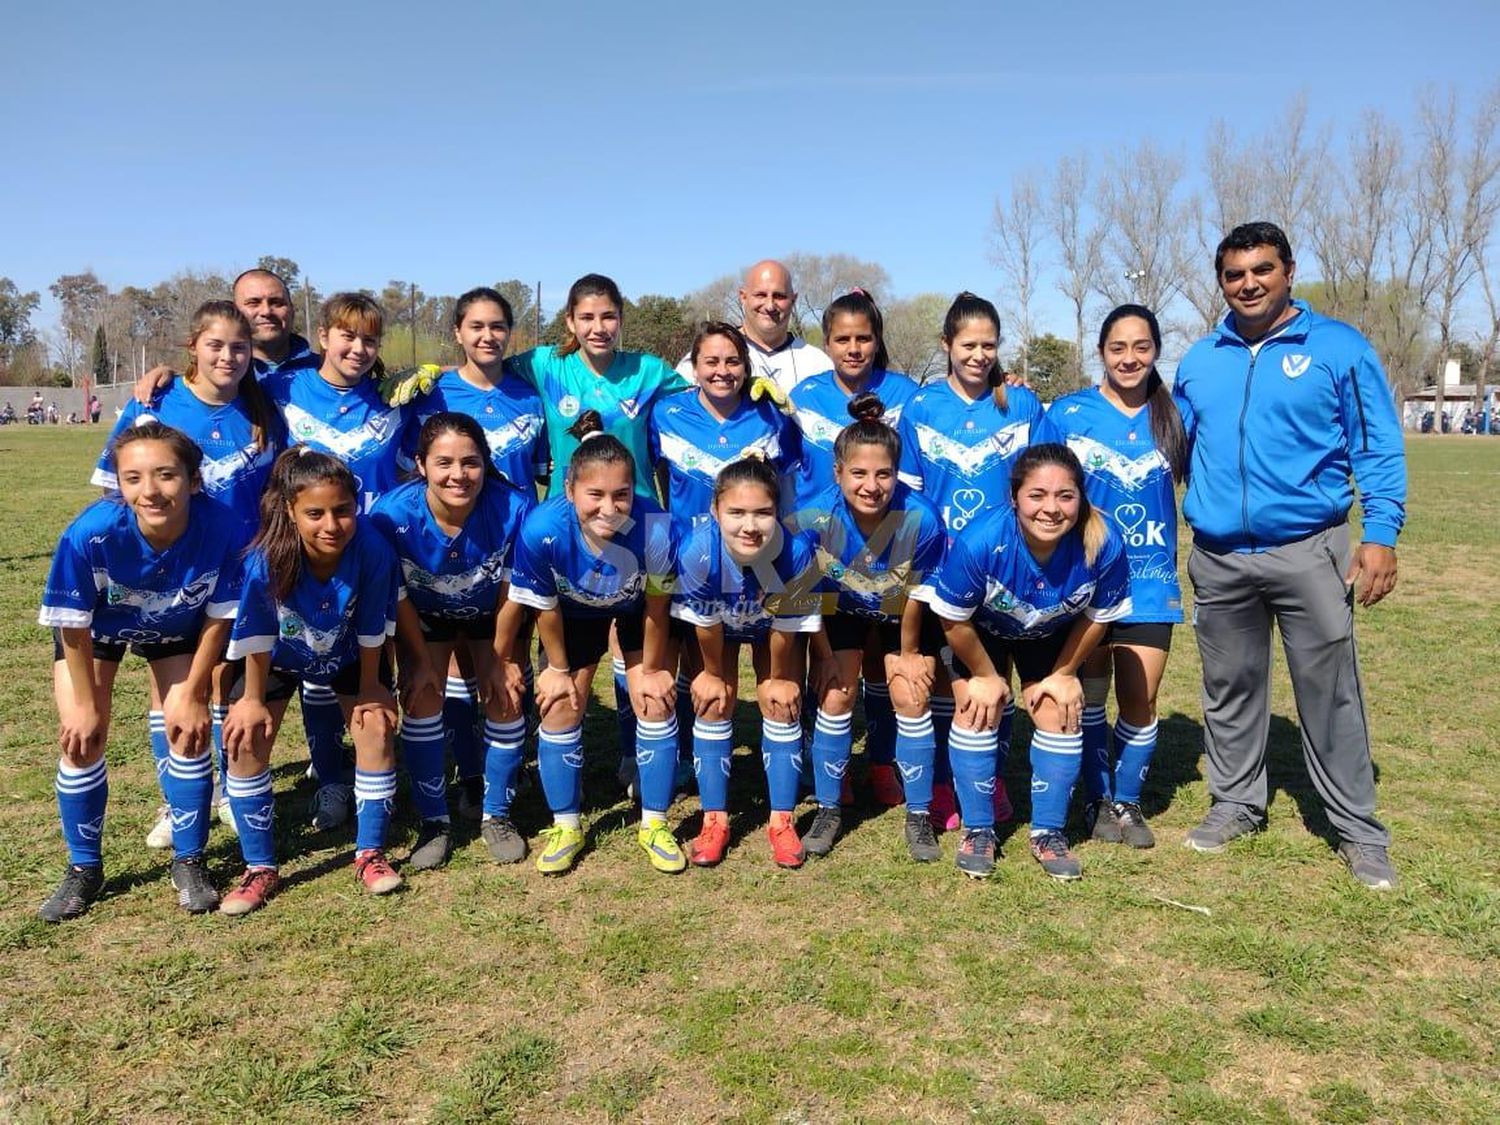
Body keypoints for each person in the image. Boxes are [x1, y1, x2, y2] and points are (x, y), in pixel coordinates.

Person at [1171, 221, 1405, 890]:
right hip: (1218, 556)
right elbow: (1171, 444)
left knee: (1330, 694)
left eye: (1261, 270)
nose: (1248, 283)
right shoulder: (1200, 358)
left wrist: (1381, 531)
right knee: (1229, 689)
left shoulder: (1338, 348)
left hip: (1310, 548)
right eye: (1235, 274)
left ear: (1289, 270)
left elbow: (1378, 446)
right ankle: (1237, 803)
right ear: (1221, 281)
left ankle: (1359, 831)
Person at [94, 300, 286, 849]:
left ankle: (226, 788)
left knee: (225, 679)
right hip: (177, 572)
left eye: (239, 347)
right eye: (216, 345)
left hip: (246, 565)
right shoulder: (158, 403)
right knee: (174, 686)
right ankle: (177, 798)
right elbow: (117, 493)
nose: (228, 356)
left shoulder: (263, 408)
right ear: (193, 348)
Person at [36, 422, 246, 921]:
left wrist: (195, 693)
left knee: (189, 732)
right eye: (132, 478)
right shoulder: (89, 534)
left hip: (176, 627)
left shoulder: (224, 528)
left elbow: (219, 618)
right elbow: (74, 629)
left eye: (166, 475)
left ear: (194, 480)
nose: (149, 491)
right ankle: (84, 868)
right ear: (118, 483)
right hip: (97, 633)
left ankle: (190, 860)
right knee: (83, 737)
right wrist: (86, 707)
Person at [920, 444, 1132, 880]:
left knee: (1060, 710)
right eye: (1037, 495)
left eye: (1065, 496)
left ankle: (1048, 833)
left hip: (1047, 634)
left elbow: (1097, 619)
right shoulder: (983, 539)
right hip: (976, 634)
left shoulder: (1104, 542)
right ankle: (978, 830)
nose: (1051, 509)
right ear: (1014, 497)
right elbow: (951, 619)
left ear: (1081, 498)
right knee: (978, 708)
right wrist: (984, 675)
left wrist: (1065, 673)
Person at [221, 448, 417, 913]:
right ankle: (259, 867)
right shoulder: (265, 558)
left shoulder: (372, 549)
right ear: (290, 512)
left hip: (349, 652)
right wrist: (250, 698)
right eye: (315, 513)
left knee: (375, 730)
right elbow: (256, 635)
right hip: (277, 660)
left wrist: (372, 687)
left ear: (358, 506)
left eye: (342, 510)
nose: (331, 525)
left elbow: (373, 626)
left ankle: (370, 853)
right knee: (246, 741)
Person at [497, 411, 682, 875]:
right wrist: (557, 670)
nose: (609, 507)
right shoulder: (542, 528)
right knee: (560, 702)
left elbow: (658, 608)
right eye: (594, 495)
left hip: (636, 609)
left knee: (655, 699)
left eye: (621, 495)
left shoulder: (656, 526)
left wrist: (656, 668)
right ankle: (567, 824)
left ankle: (655, 823)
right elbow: (545, 609)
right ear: (569, 491)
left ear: (634, 491)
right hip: (572, 614)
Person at [1034, 304, 1187, 849]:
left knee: (1140, 700)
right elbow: (1038, 484)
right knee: (1091, 697)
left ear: (1155, 352)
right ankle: (1098, 801)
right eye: (1118, 348)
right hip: (1086, 585)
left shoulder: (1177, 415)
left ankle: (1127, 800)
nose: (1129, 358)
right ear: (1101, 352)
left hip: (1150, 585)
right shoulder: (1070, 414)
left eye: (1141, 347)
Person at [898, 291, 1043, 832]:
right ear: (946, 346)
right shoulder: (922, 407)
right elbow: (909, 492)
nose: (979, 355)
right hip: (941, 569)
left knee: (993, 681)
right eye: (968, 345)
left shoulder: (1021, 405)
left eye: (989, 345)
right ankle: (941, 784)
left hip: (1007, 569)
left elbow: (1044, 478)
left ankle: (991, 779)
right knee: (946, 681)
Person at [406, 287, 548, 821]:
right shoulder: (432, 392)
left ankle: (499, 786)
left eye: (498, 327)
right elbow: (411, 469)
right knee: (454, 679)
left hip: (507, 553)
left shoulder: (528, 396)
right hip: (443, 555)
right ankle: (467, 778)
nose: (488, 336)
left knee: (503, 669)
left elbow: (540, 473)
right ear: (458, 333)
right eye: (477, 327)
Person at [369, 413, 533, 867]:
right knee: (422, 697)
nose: (458, 475)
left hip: (490, 616)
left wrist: (500, 659)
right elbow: (397, 596)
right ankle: (434, 821)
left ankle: (496, 814)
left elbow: (511, 594)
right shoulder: (390, 515)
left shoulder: (513, 508)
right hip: (424, 618)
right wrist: (418, 660)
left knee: (505, 696)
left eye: (470, 462)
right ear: (420, 464)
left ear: (485, 463)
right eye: (443, 463)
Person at [798, 394, 947, 861]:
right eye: (858, 474)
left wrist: (906, 653)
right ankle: (828, 808)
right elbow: (804, 595)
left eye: (883, 474)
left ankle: (920, 815)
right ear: (837, 473)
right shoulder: (811, 516)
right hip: (839, 611)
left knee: (909, 691)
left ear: (897, 474)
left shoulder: (921, 517)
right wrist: (822, 656)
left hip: (902, 613)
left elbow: (920, 595)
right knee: (837, 692)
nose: (871, 485)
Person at [671, 456, 823, 867]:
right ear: (715, 511)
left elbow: (786, 629)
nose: (749, 525)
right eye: (736, 512)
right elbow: (706, 625)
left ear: (779, 512)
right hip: (718, 626)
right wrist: (713, 674)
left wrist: (775, 678)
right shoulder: (698, 550)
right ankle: (714, 818)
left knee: (780, 701)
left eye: (763, 513)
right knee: (714, 699)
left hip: (771, 628)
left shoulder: (797, 553)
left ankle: (782, 819)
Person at [506, 273, 688, 500]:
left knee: (658, 537)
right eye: (587, 318)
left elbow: (704, 401)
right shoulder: (545, 365)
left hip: (640, 508)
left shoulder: (648, 371)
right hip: (565, 511)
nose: (599, 328)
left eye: (608, 316)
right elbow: (487, 375)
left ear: (621, 318)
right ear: (570, 321)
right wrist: (537, 452)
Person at [674, 260, 833, 394]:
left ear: (793, 299)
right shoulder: (706, 359)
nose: (770, 305)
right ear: (743, 297)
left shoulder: (818, 363)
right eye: (760, 295)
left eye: (779, 296)